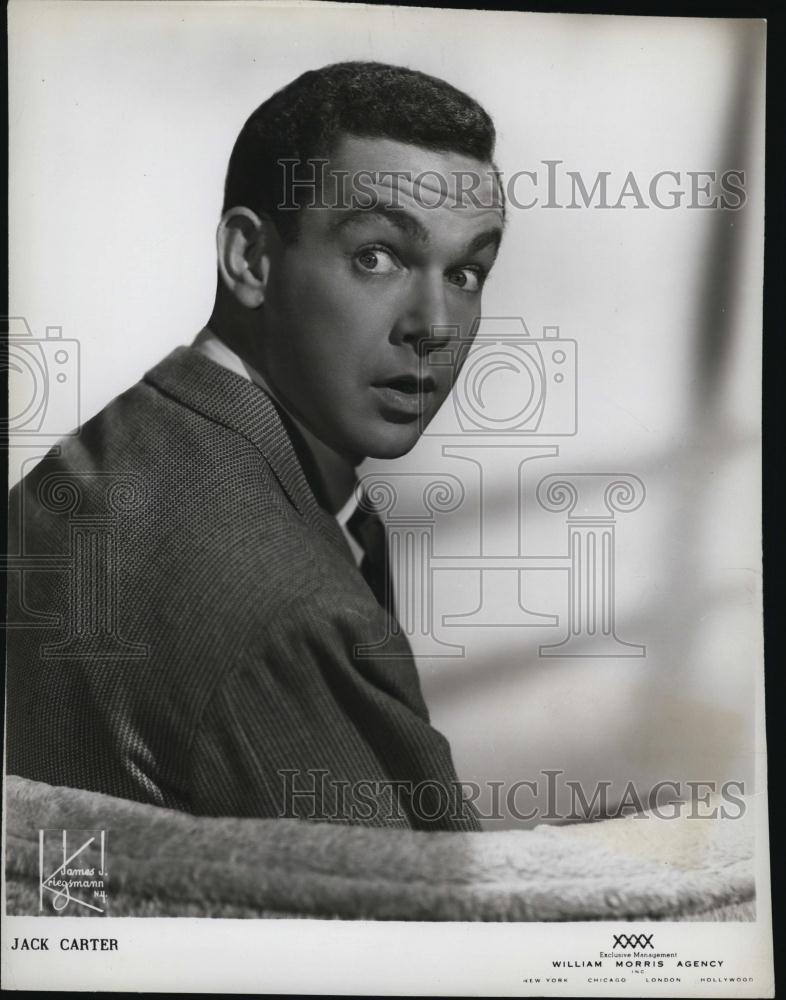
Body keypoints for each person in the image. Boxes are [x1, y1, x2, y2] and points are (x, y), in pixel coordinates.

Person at [6, 62, 505, 830]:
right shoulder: (291, 609)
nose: (434, 322)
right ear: (250, 259)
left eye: (467, 271)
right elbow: (419, 935)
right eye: (376, 256)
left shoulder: (110, 453)